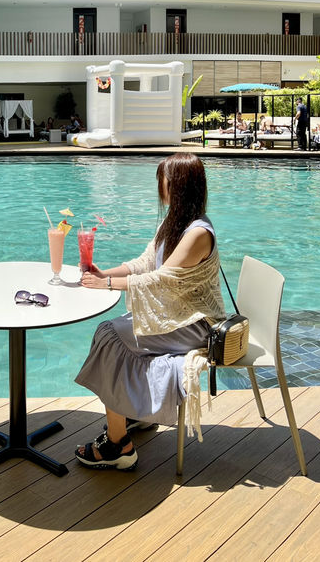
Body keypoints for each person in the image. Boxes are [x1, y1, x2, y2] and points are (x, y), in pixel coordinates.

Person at [74, 153, 225, 470]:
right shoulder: (174, 221)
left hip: (196, 324)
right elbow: (144, 264)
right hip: (175, 316)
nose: (160, 187)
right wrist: (104, 276)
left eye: (163, 180)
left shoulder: (197, 232)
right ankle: (133, 413)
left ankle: (118, 444)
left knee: (110, 336)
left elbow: (160, 280)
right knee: (114, 332)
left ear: (177, 185)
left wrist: (111, 285)